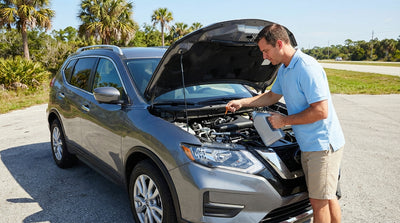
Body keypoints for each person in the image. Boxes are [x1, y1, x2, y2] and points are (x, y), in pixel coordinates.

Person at [226, 24, 345, 223]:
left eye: (266, 50)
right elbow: (272, 96)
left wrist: (284, 121)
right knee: (327, 197)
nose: (264, 57)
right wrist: (242, 102)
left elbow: (321, 111)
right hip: (310, 144)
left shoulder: (306, 67)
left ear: (279, 44)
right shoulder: (286, 69)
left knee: (318, 203)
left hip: (322, 145)